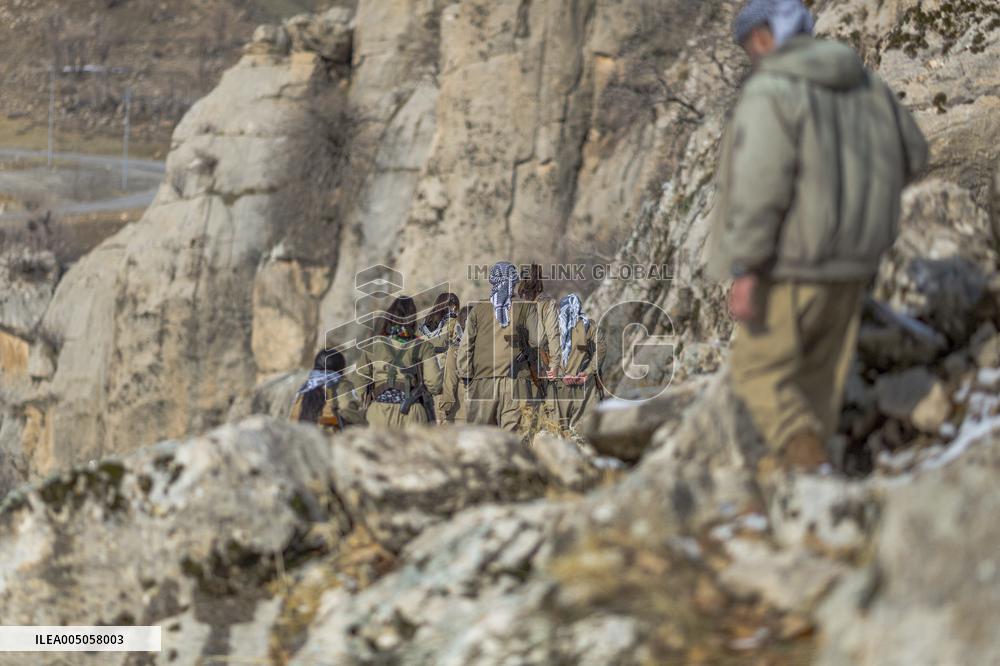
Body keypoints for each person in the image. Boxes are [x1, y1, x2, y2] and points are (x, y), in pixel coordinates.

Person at [709, 0, 928, 471]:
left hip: (792, 266)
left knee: (755, 371)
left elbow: (763, 185)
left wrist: (746, 267)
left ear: (768, 37)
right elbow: (914, 156)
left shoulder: (773, 91)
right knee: (816, 388)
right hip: (855, 266)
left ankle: (810, 473)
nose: (751, 52)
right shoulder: (866, 83)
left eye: (752, 41)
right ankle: (814, 506)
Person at [458, 262, 561, 433]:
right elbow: (536, 341)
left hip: (483, 380)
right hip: (516, 382)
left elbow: (465, 346)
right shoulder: (526, 307)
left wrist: (466, 375)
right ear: (514, 281)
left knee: (480, 436)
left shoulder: (478, 309)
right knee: (513, 437)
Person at [358, 296, 442, 429]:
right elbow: (435, 385)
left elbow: (359, 384)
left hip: (378, 413)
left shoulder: (373, 346)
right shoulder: (424, 347)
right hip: (411, 413)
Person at [550, 294, 606, 430]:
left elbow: (546, 354)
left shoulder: (553, 328)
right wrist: (587, 372)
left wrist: (562, 375)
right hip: (584, 385)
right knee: (583, 430)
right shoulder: (589, 326)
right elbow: (601, 349)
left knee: (558, 430)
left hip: (560, 386)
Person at [290, 348, 365, 430]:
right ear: (340, 368)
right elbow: (347, 409)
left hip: (296, 435)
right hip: (328, 437)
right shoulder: (342, 385)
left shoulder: (303, 387)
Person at [419, 292, 462, 421]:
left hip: (424, 373)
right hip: (444, 372)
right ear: (453, 306)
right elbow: (460, 346)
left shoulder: (424, 324)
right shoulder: (454, 322)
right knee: (444, 415)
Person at [438, 305, 472, 424]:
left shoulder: (455, 350)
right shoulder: (488, 349)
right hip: (484, 412)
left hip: (460, 414)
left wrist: (444, 409)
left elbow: (450, 382)